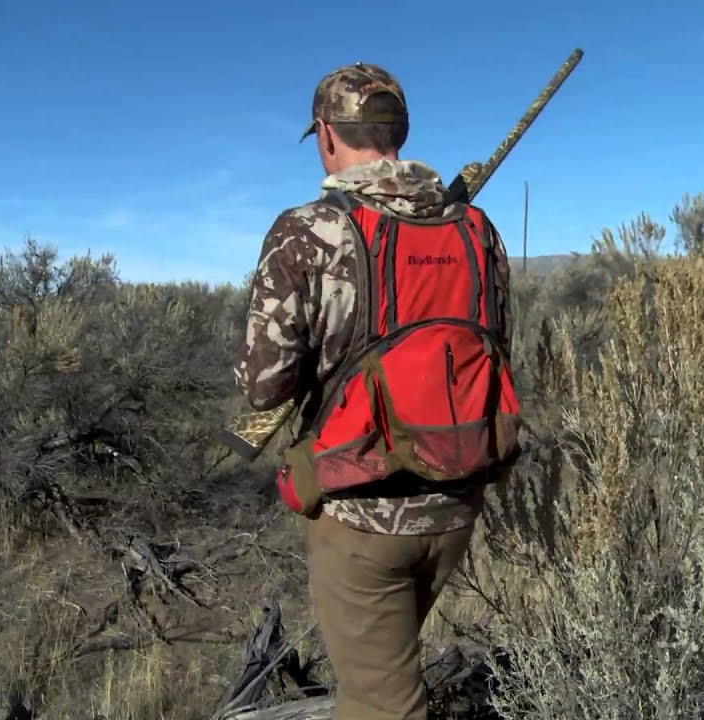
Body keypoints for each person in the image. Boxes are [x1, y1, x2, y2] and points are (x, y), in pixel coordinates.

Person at [235, 61, 519, 720]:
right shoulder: (477, 231)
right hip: (457, 501)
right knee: (388, 671)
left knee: (382, 704)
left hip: (361, 514)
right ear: (402, 130)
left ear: (326, 135)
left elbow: (262, 389)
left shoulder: (307, 229)